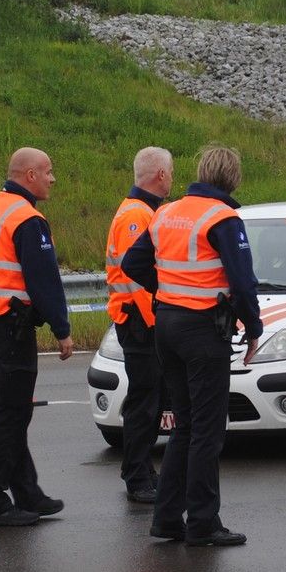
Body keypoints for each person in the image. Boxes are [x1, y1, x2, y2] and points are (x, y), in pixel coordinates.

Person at [122, 146, 262, 547]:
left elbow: (133, 265)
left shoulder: (167, 212)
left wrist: (168, 291)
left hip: (166, 324)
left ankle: (167, 518)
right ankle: (203, 520)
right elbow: (243, 282)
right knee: (207, 429)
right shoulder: (223, 218)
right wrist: (253, 328)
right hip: (202, 330)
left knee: (184, 425)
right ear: (232, 179)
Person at [0, 147, 75, 527]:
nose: (52, 178)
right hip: (10, 327)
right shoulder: (27, 218)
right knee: (10, 415)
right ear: (29, 175)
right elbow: (44, 280)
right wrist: (62, 330)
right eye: (48, 171)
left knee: (13, 410)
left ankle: (27, 492)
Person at [103, 146, 174, 504]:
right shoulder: (137, 216)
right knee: (144, 402)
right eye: (171, 173)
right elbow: (138, 278)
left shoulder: (145, 211)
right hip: (139, 321)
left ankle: (143, 469)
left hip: (140, 320)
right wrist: (157, 320)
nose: (172, 180)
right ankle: (137, 476)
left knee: (150, 400)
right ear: (161, 175)